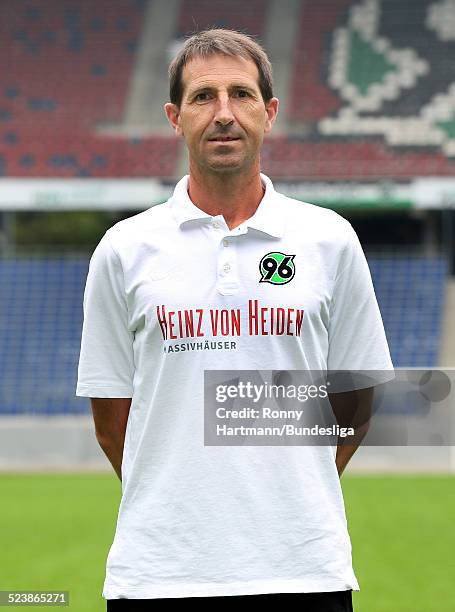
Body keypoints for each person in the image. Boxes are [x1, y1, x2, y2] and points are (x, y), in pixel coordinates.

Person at [76, 28, 393, 611]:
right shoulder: (124, 249)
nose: (224, 114)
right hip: (160, 575)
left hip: (303, 572)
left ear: (269, 113)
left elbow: (354, 404)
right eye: (203, 97)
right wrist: (183, 503)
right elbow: (111, 420)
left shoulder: (328, 239)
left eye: (241, 95)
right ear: (175, 116)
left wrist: (288, 494)